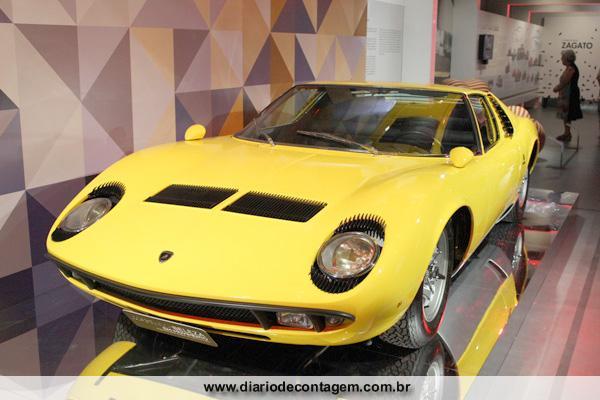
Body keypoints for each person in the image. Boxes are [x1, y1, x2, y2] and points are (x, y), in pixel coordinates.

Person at [553, 49, 583, 142]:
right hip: (567, 94)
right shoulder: (569, 67)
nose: (561, 59)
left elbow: (564, 82)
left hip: (569, 95)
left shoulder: (571, 68)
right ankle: (567, 133)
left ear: (567, 58)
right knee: (566, 116)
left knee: (567, 115)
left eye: (562, 57)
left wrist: (556, 88)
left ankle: (567, 134)